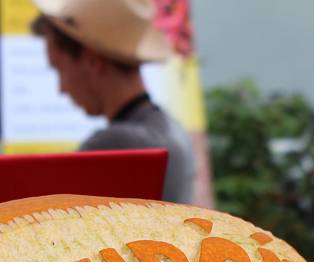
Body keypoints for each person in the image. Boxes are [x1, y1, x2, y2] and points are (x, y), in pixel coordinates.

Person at [31, 0, 196, 203]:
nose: (61, 89)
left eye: (59, 68)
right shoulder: (173, 130)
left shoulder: (115, 145)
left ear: (93, 61)